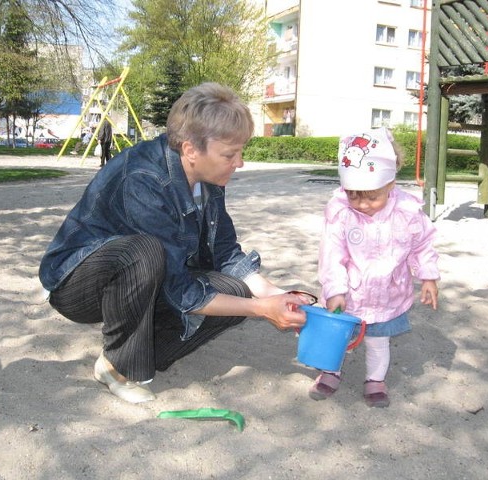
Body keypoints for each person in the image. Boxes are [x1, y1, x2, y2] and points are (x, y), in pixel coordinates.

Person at [39, 83, 310, 404]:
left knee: (237, 292)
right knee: (145, 252)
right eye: (229, 154)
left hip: (147, 278)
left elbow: (225, 252)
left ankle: (139, 352)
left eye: (240, 152)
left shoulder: (207, 178)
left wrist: (280, 297)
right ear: (191, 150)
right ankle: (116, 366)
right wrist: (261, 310)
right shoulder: (143, 179)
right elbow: (180, 289)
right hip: (79, 285)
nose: (239, 163)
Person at [309, 127, 440, 407]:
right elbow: (331, 254)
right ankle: (330, 371)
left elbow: (422, 244)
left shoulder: (407, 212)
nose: (363, 204)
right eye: (355, 195)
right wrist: (335, 289)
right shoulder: (342, 212)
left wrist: (428, 276)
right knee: (339, 335)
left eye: (371, 197)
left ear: (390, 184)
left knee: (378, 340)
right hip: (350, 293)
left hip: (388, 293)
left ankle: (375, 380)